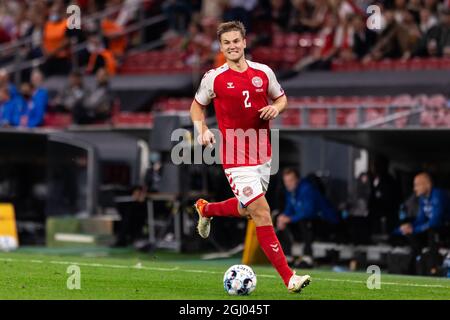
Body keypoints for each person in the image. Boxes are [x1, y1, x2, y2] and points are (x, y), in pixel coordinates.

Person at [190, 21, 311, 293]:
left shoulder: (263, 72)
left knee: (248, 209)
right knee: (261, 212)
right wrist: (202, 129)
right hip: (234, 155)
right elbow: (196, 108)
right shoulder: (214, 77)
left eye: (236, 41)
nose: (232, 46)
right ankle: (289, 278)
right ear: (221, 47)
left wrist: (276, 110)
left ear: (244, 42)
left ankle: (206, 209)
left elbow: (281, 99)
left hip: (263, 153)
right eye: (226, 43)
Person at [276, 168, 340, 268]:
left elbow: (308, 212)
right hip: (308, 223)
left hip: (328, 223)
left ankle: (307, 256)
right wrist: (283, 217)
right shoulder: (290, 192)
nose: (288, 184)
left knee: (304, 221)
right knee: (281, 220)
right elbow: (289, 209)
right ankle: (287, 256)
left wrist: (290, 219)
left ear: (297, 180)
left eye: (291, 180)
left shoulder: (307, 189)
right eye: (286, 181)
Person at [396, 172, 450, 275]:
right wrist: (410, 226)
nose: (414, 189)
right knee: (408, 234)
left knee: (432, 231)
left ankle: (434, 268)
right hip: (432, 228)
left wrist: (416, 229)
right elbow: (421, 219)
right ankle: (416, 265)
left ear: (428, 185)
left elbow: (436, 221)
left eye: (417, 185)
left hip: (444, 228)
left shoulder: (438, 195)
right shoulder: (422, 198)